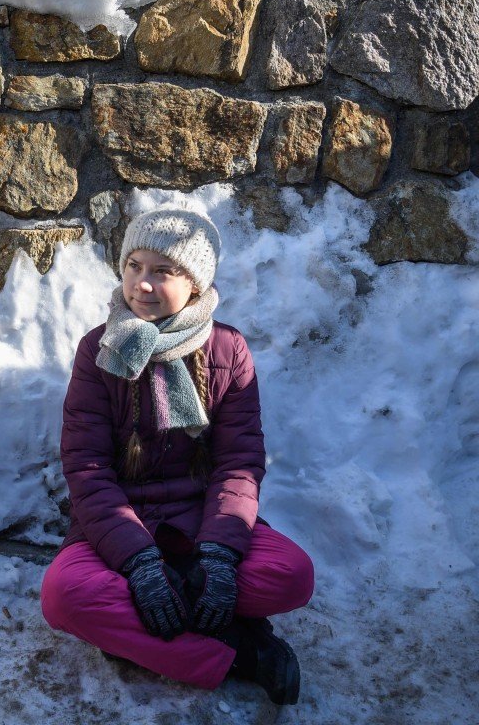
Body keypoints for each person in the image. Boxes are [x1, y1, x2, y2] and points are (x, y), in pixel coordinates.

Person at [40, 207, 314, 704]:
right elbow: (87, 468)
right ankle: (241, 651)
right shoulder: (98, 351)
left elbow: (239, 464)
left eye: (162, 271)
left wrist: (220, 555)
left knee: (292, 576)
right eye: (133, 267)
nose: (142, 285)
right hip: (120, 527)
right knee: (64, 598)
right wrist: (139, 563)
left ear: (196, 282)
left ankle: (154, 623)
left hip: (202, 521)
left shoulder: (228, 350)